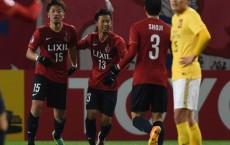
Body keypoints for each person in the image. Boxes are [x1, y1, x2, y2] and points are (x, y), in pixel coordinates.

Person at [103, 0, 170, 145]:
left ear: (145, 8)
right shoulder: (168, 29)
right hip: (160, 79)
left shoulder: (137, 27)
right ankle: (155, 131)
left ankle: (150, 130)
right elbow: (174, 54)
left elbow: (131, 52)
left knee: (136, 117)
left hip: (142, 78)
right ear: (161, 10)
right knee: (158, 118)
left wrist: (117, 67)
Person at [26, 0, 78, 145]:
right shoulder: (41, 31)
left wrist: (74, 64)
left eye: (59, 11)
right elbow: (28, 52)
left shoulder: (70, 31)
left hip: (60, 77)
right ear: (48, 14)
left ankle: (57, 134)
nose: (56, 14)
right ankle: (31, 141)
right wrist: (39, 58)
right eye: (53, 11)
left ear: (64, 14)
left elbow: (73, 48)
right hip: (42, 74)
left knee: (60, 116)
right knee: (36, 106)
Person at [76, 9, 127, 145]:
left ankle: (102, 137)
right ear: (96, 23)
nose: (105, 24)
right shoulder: (91, 38)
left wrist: (114, 73)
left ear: (111, 23)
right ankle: (92, 143)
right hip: (94, 86)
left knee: (106, 122)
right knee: (91, 115)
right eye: (102, 21)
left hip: (110, 87)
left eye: (108, 21)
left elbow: (126, 60)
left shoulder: (117, 41)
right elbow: (75, 46)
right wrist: (73, 63)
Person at [169, 0, 211, 145]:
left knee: (179, 116)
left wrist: (193, 55)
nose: (174, 1)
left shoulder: (191, 15)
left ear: (186, 1)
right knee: (188, 117)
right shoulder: (175, 18)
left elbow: (205, 35)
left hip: (187, 74)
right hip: (179, 73)